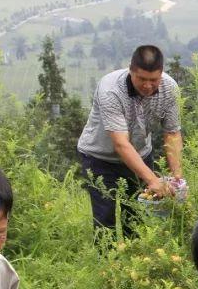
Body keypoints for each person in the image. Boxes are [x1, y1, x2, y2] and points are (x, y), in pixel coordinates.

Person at [77, 44, 185, 236]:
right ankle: (107, 264)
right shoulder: (111, 89)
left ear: (161, 73)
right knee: (105, 221)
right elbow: (120, 143)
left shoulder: (170, 88)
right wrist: (152, 179)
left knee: (136, 218)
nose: (148, 85)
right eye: (141, 79)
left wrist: (177, 178)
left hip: (141, 155)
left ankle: (135, 262)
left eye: (154, 80)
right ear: (131, 70)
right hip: (100, 159)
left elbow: (172, 133)